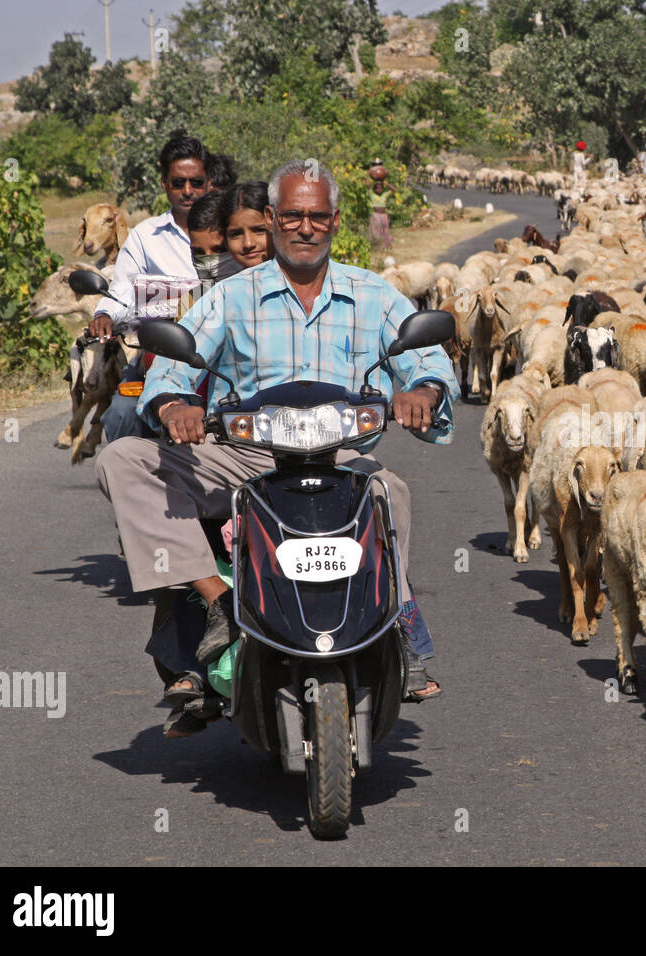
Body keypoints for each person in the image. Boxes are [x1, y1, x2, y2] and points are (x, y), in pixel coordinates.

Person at [94, 158, 458, 736]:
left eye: (317, 216)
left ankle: (394, 622)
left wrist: (424, 389)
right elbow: (173, 370)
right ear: (272, 218)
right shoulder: (232, 297)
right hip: (248, 458)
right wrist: (172, 405)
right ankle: (217, 602)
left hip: (342, 458)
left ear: (336, 221)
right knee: (123, 459)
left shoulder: (374, 294)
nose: (305, 227)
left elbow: (430, 359)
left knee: (391, 490)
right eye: (292, 215)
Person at [95, 134, 214, 444]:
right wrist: (105, 312)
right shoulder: (146, 235)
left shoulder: (230, 229)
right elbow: (123, 286)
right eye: (178, 183)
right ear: (165, 185)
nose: (188, 191)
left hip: (219, 357)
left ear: (210, 183)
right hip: (157, 356)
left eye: (196, 182)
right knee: (122, 413)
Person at [367, 159, 392, 249]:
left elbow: (394, 189)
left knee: (385, 229)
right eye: (377, 188)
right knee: (375, 230)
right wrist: (368, 174)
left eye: (381, 188)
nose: (379, 189)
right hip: (376, 215)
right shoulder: (372, 195)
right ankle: (376, 244)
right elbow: (368, 185)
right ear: (375, 189)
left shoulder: (385, 195)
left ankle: (385, 245)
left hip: (383, 215)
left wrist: (386, 182)